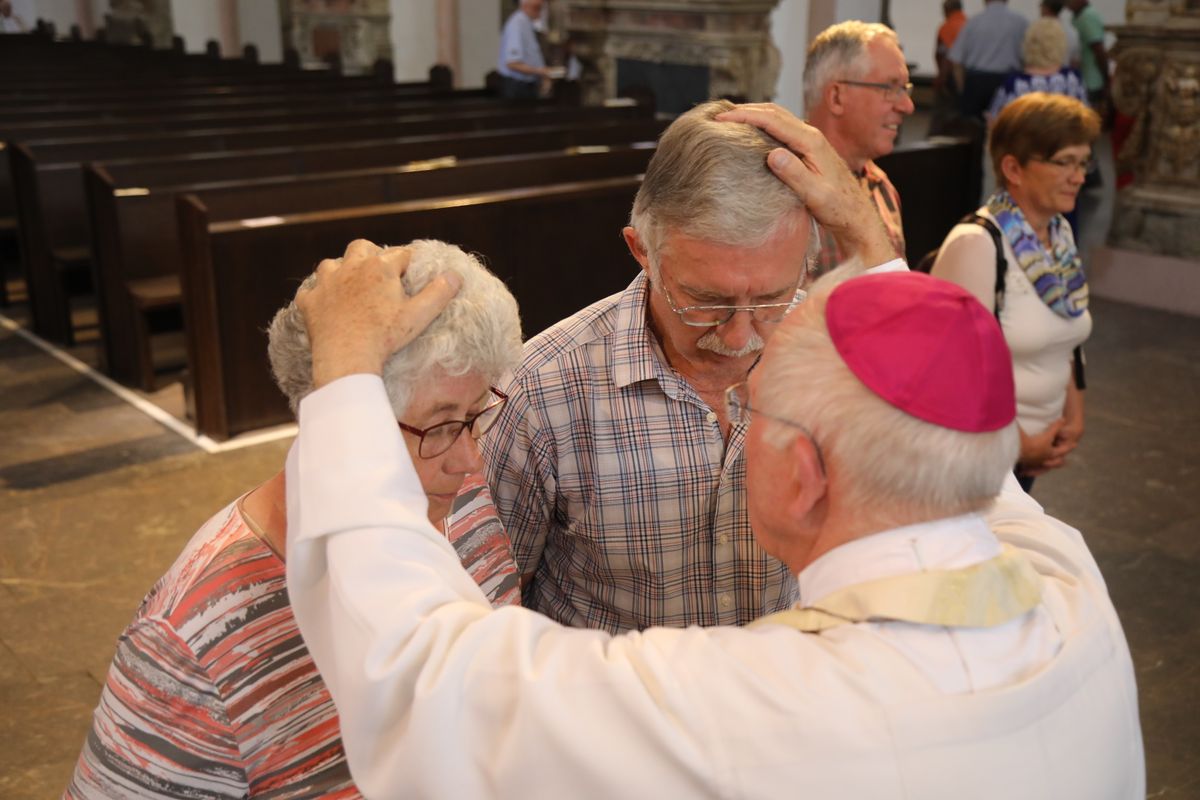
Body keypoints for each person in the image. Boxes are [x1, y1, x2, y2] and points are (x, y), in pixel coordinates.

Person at [282, 215, 1144, 796]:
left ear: (802, 473)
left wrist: (349, 379)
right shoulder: (1073, 592)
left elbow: (423, 674)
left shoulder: (758, 710)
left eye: (754, 404)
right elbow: (969, 452)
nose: (734, 371)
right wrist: (877, 260)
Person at [64, 240, 524, 798]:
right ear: (338, 417)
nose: (470, 460)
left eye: (477, 415)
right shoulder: (192, 643)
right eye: (442, 424)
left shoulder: (462, 505)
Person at [482, 99, 901, 633]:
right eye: (705, 300)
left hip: (787, 699)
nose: (740, 335)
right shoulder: (540, 390)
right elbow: (488, 609)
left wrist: (865, 231)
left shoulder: (835, 355)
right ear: (642, 250)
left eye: (773, 297)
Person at [932, 93, 1097, 492]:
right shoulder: (977, 243)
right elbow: (956, 369)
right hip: (977, 460)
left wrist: (1073, 416)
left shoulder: (1059, 234)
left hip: (1032, 455)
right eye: (1065, 163)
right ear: (1013, 168)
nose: (1079, 177)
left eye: (1083, 163)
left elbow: (1067, 327)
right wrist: (1018, 445)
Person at [804, 20, 913, 273]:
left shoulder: (882, 187)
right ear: (837, 97)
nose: (907, 106)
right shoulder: (785, 182)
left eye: (905, 88)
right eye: (890, 88)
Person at [987, 18, 1088, 120]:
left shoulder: (1014, 84)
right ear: (1061, 44)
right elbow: (1085, 119)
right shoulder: (1073, 79)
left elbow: (996, 123)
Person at [949, 0, 1029, 120]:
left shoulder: (973, 22)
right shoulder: (1021, 22)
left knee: (972, 130)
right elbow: (1029, 58)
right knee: (1006, 128)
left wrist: (962, 90)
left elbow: (956, 61)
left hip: (976, 83)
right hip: (1008, 82)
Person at [496, 0, 550, 99]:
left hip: (528, 84)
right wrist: (540, 71)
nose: (540, 12)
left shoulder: (527, 23)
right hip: (517, 87)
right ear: (525, 6)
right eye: (537, 8)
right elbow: (513, 63)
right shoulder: (517, 25)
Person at [1066, 0, 1111, 115]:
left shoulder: (1088, 16)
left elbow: (1099, 50)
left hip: (1092, 81)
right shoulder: (1077, 16)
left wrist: (1106, 79)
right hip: (1082, 79)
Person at [934, 1, 967, 98]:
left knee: (946, 108)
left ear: (947, 10)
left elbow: (945, 55)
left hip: (951, 76)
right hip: (970, 76)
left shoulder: (946, 27)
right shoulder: (970, 25)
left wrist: (942, 79)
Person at [1041, 0, 1081, 69]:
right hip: (1065, 75)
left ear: (1045, 8)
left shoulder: (1039, 31)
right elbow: (1075, 62)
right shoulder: (1072, 31)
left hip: (1043, 75)